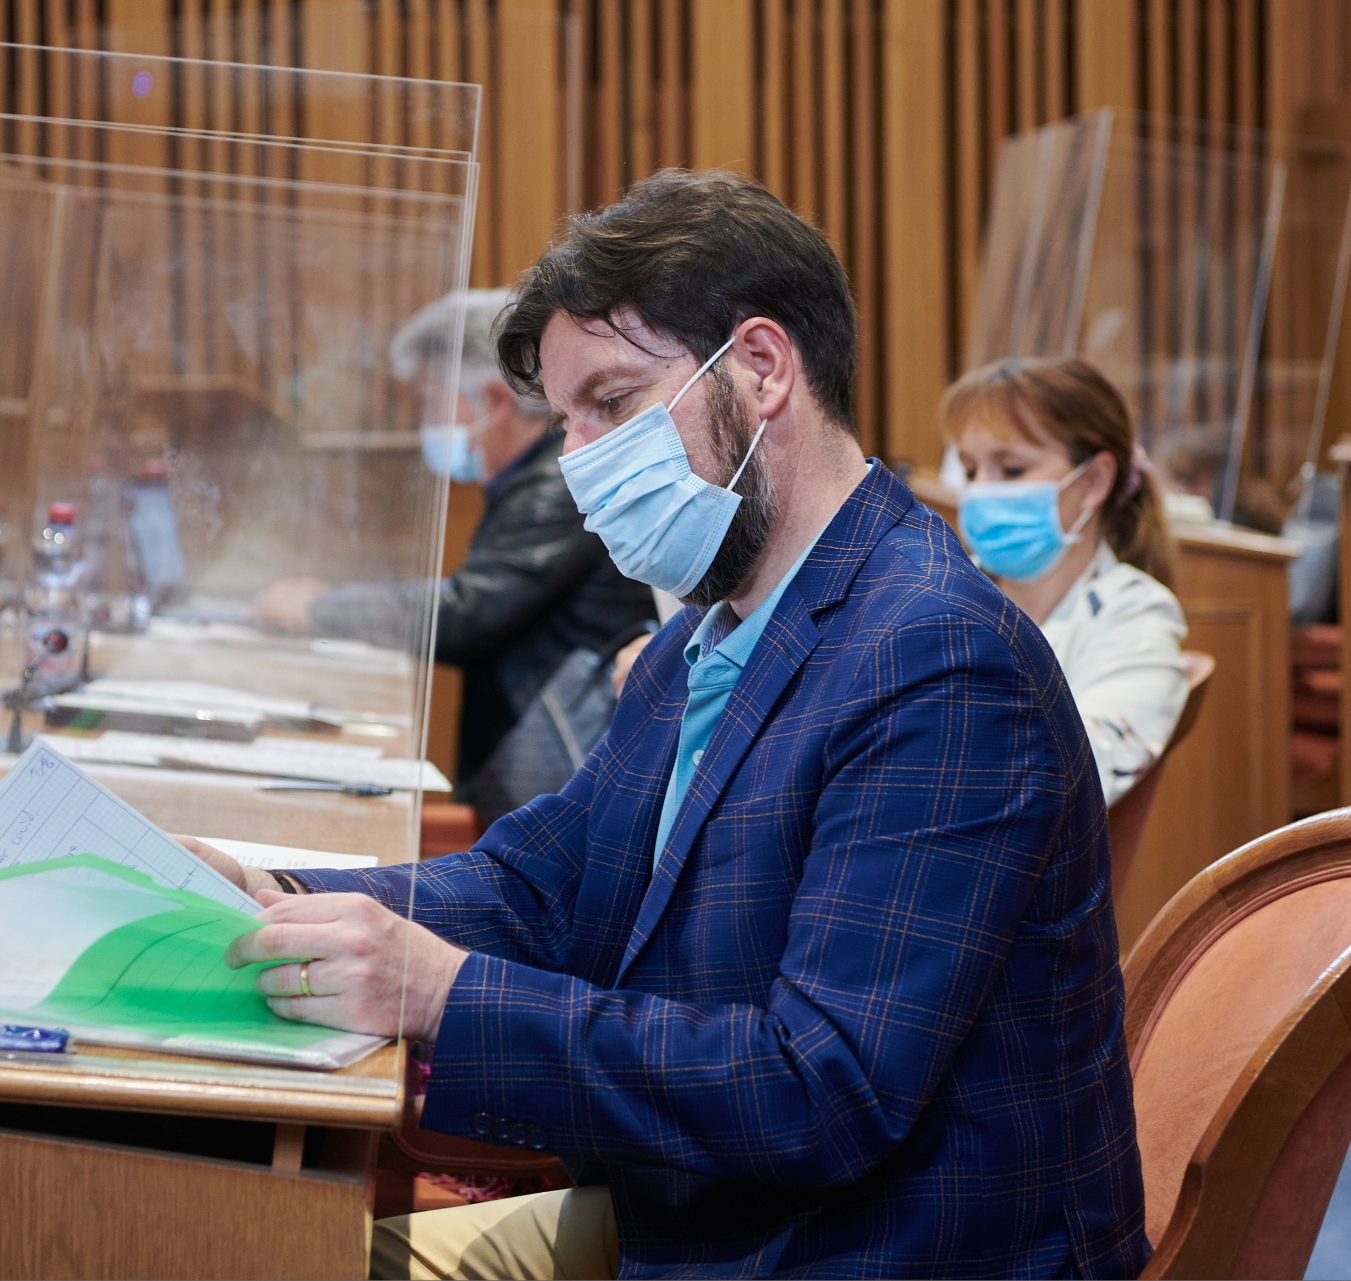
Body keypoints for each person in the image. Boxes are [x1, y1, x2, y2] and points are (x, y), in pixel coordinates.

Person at [185, 170, 1147, 1278]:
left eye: (613, 403)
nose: (580, 457)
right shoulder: (710, 631)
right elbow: (541, 882)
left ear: (764, 367)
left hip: (879, 1247)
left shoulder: (937, 658)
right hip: (724, 1220)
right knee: (278, 1247)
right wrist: (284, 897)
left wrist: (441, 991)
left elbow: (817, 1089)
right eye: (564, 420)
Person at [251, 288, 655, 794]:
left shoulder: (557, 486)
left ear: (493, 401)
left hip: (562, 776)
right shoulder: (528, 479)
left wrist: (323, 609)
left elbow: (468, 612)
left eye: (431, 401)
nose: (426, 419)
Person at [945, 357, 1189, 806]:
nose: (981, 490)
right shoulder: (940, 593)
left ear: (1095, 480)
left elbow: (1072, 772)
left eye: (1012, 469)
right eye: (971, 469)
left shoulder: (1135, 613)